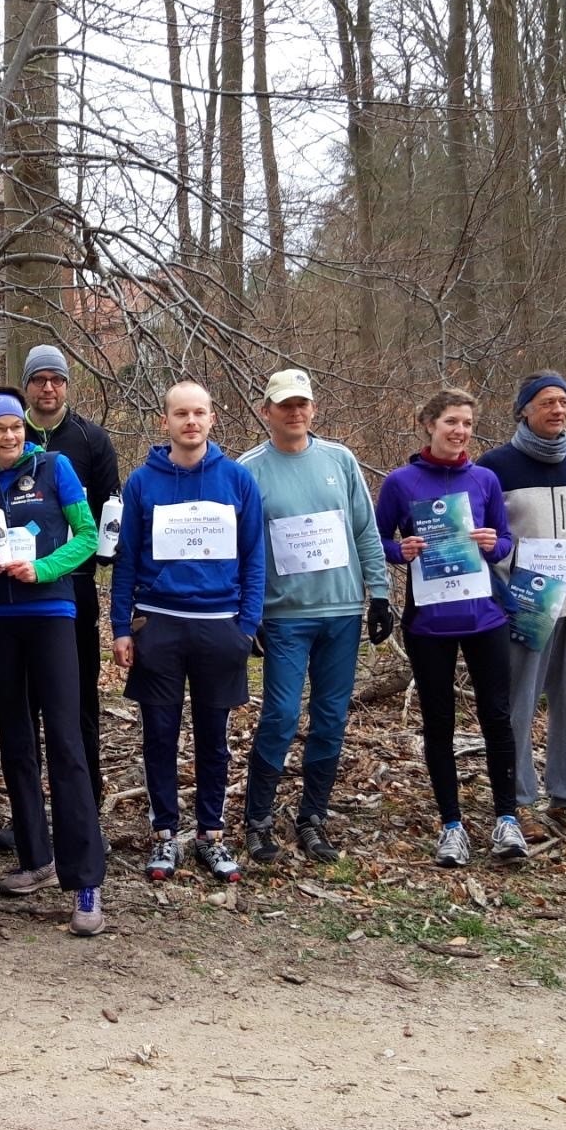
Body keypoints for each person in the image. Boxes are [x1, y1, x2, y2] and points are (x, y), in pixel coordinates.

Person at [110, 380, 264, 886]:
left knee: (213, 738)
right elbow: (126, 559)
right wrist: (120, 627)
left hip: (220, 626)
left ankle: (211, 834)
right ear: (166, 422)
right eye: (181, 414)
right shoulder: (141, 482)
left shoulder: (237, 480)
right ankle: (164, 834)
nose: (190, 422)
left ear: (212, 418)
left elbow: (254, 558)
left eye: (199, 413)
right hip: (159, 623)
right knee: (159, 734)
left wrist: (247, 625)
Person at [236, 368, 391, 864]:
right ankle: (258, 819)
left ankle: (313, 816)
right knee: (280, 716)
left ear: (313, 409)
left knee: (330, 718)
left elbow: (365, 529)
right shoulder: (250, 469)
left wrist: (381, 594)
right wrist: (250, 610)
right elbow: (243, 548)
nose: (295, 412)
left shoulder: (340, 461)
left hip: (342, 611)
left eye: (302, 403)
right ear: (267, 412)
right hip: (284, 616)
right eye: (284, 405)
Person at [0, 386, 107, 937]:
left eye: (16, 427)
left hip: (52, 613)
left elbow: (89, 537)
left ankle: (87, 880)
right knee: (15, 740)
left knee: (67, 741)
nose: (10, 435)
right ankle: (35, 857)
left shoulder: (56, 470)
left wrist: (45, 570)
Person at [375, 388, 525, 868]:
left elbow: (504, 542)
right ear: (427, 424)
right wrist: (403, 552)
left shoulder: (484, 479)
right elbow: (376, 540)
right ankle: (452, 825)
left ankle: (507, 819)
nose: (460, 431)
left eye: (466, 423)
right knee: (438, 723)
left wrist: (490, 543)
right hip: (429, 621)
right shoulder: (401, 483)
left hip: (485, 617)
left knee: (497, 717)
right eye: (451, 422)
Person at [478, 372, 566, 841]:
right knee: (518, 702)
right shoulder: (496, 466)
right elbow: (480, 539)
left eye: (563, 401)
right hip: (523, 603)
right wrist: (495, 594)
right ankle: (516, 801)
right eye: (546, 402)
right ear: (524, 410)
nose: (557, 410)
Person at [22, 345, 121, 816]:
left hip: (76, 588)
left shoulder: (91, 438)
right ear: (26, 385)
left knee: (79, 694)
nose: (48, 388)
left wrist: (102, 559)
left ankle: (85, 798)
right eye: (39, 379)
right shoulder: (8, 433)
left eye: (56, 379)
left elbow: (109, 508)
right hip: (19, 590)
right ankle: (32, 804)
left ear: (66, 385)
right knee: (27, 701)